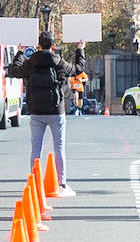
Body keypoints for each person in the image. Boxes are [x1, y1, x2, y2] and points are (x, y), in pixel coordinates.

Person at [7, 31, 85, 197]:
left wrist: (20, 53)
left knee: (36, 149)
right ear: (53, 46)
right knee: (59, 148)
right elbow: (78, 69)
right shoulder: (60, 63)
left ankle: (35, 183)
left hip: (36, 111)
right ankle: (62, 184)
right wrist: (80, 50)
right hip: (56, 110)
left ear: (38, 46)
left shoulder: (31, 63)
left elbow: (14, 71)